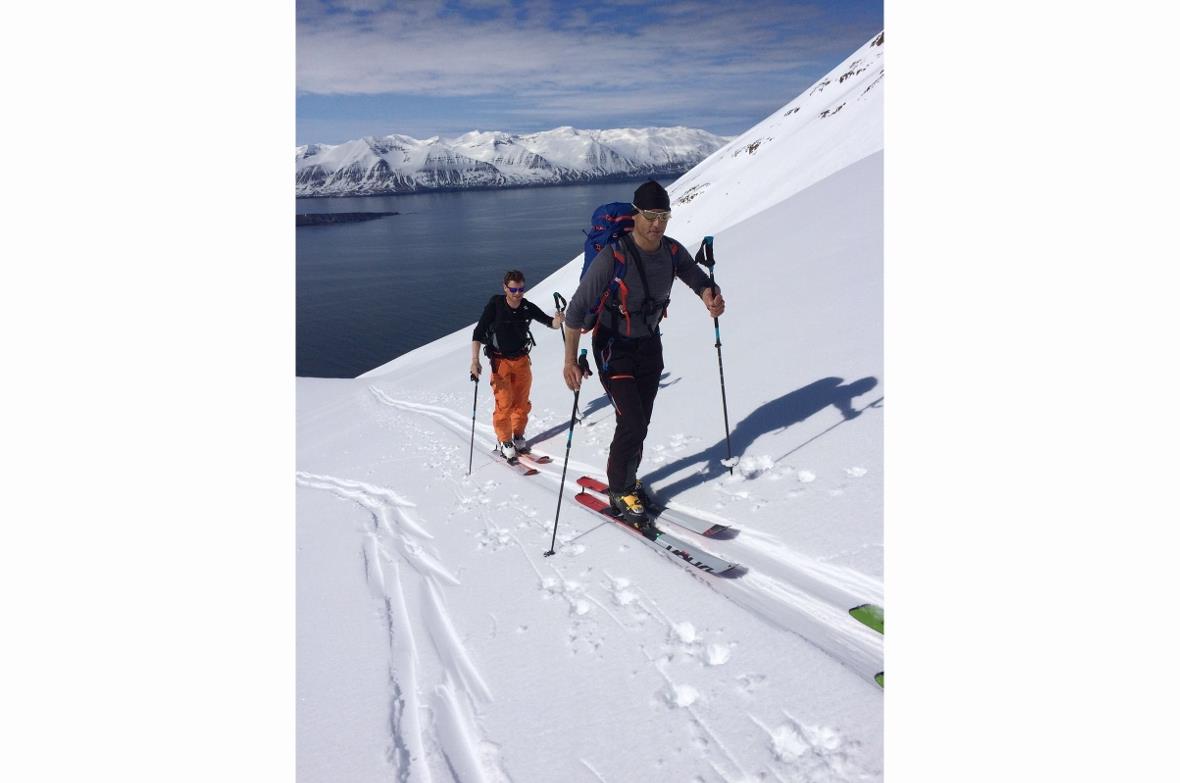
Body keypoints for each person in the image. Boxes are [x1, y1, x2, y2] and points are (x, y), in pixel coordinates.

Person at [561, 180, 725, 525]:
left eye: (663, 216)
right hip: (612, 346)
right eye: (650, 216)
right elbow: (576, 312)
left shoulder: (671, 251)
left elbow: (697, 278)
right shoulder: (614, 256)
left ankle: (627, 477)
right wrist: (569, 362)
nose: (657, 224)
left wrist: (710, 296)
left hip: (649, 345)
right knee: (632, 421)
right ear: (636, 215)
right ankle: (620, 489)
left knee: (640, 422)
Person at [471, 270, 564, 461]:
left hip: (521, 360)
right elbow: (478, 333)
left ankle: (518, 435)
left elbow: (550, 323)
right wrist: (475, 361)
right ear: (505, 288)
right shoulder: (495, 306)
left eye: (521, 289)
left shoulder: (527, 307)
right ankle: (505, 441)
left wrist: (558, 320)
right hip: (500, 362)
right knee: (504, 404)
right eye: (513, 289)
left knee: (522, 403)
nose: (517, 293)